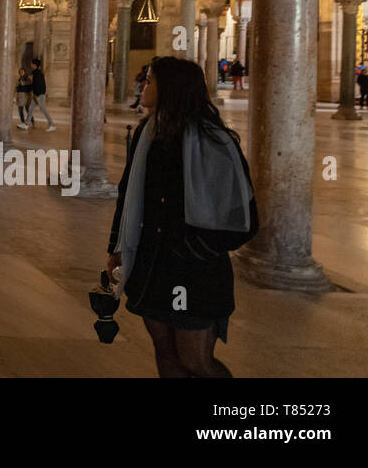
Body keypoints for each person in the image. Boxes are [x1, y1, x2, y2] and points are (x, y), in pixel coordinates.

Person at [106, 56, 258, 377]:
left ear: (171, 89)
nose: (143, 86)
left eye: (150, 81)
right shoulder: (148, 133)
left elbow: (244, 218)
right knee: (165, 353)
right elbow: (128, 193)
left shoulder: (213, 142)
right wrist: (116, 247)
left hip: (193, 273)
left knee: (195, 361)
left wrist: (195, 250)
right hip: (152, 266)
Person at [28, 57, 54, 130]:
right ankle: (26, 124)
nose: (30, 65)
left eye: (31, 63)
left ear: (34, 65)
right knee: (30, 109)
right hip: (36, 94)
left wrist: (37, 93)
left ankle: (52, 125)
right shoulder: (35, 73)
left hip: (39, 94)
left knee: (43, 109)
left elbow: (41, 85)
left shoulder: (38, 73)